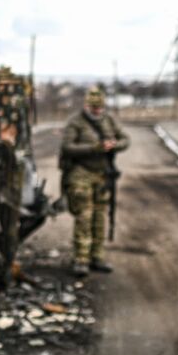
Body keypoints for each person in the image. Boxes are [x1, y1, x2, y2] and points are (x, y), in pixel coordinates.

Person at [59, 86, 129, 276]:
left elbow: (125, 139)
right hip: (81, 173)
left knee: (99, 217)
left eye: (99, 108)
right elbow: (67, 147)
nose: (97, 111)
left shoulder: (109, 120)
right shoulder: (76, 122)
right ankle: (81, 259)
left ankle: (97, 256)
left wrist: (114, 145)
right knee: (84, 217)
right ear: (86, 105)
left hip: (102, 175)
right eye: (93, 107)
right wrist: (94, 148)